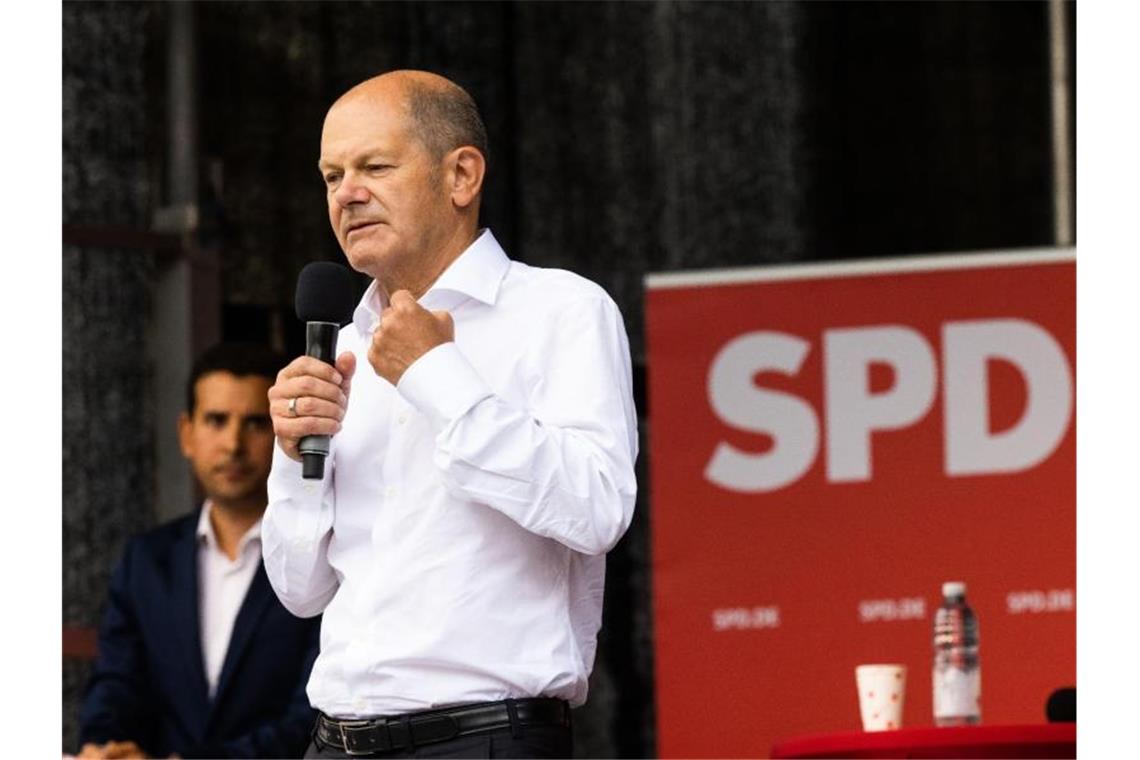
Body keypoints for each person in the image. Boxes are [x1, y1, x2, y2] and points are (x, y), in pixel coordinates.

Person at [262, 70, 639, 759]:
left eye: (374, 166)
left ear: (461, 175)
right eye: (331, 175)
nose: (347, 193)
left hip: (484, 737)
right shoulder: (342, 348)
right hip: (333, 738)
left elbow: (597, 508)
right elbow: (299, 592)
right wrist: (292, 463)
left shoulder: (561, 311)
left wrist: (436, 375)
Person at [78, 343, 322, 759]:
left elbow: (312, 715)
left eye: (255, 423)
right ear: (186, 434)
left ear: (285, 433)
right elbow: (117, 681)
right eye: (216, 420)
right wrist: (107, 746)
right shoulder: (146, 560)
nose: (233, 444)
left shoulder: (318, 556)